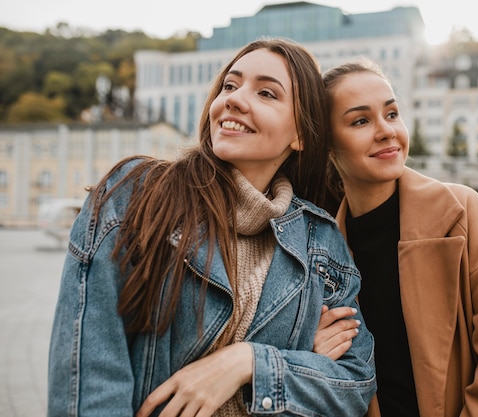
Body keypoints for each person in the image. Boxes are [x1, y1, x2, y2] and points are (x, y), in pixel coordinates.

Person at [47, 38, 376, 417]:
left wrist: (250, 362)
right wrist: (302, 358)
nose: (233, 99)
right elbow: (89, 379)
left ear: (300, 134)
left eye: (266, 92)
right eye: (230, 85)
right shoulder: (135, 197)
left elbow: (355, 383)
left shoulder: (320, 241)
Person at [314, 59, 478, 416]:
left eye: (392, 114)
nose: (386, 131)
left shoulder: (463, 213)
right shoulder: (321, 252)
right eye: (361, 120)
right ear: (326, 144)